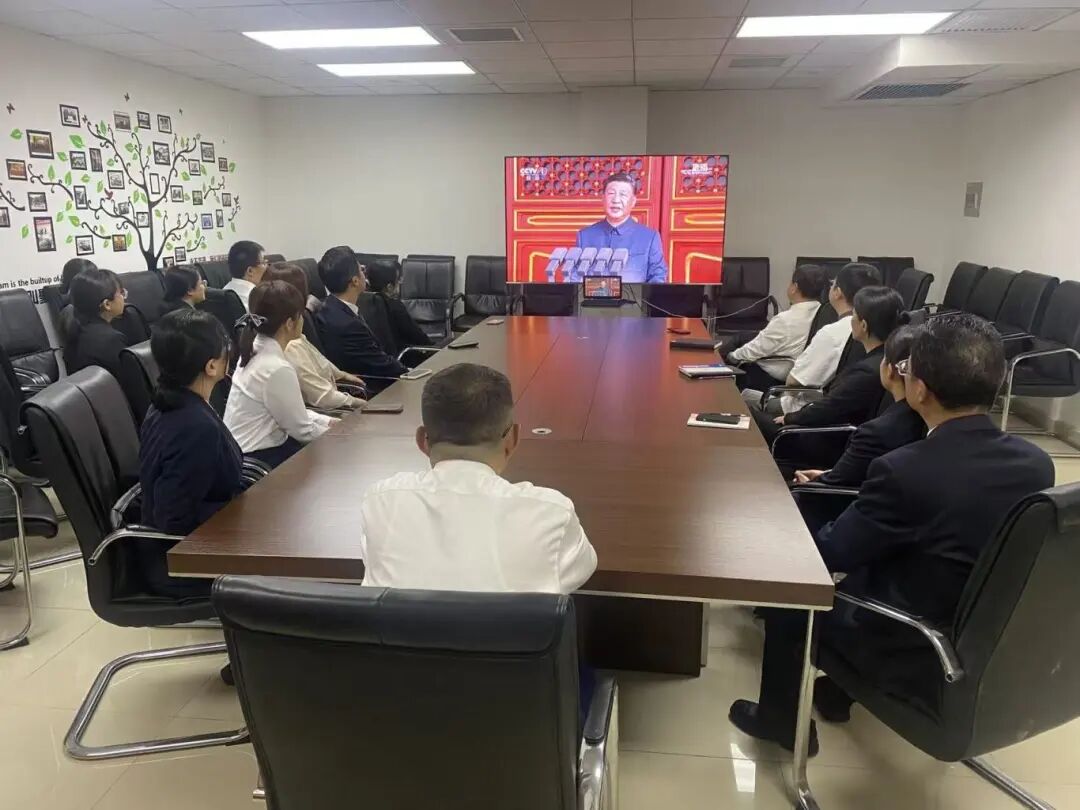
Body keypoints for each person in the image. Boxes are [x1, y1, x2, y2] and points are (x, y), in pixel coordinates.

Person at [729, 313, 1055, 756]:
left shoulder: (904, 470)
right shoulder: (1036, 464)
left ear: (919, 390)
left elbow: (830, 554)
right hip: (987, 634)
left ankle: (780, 721)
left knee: (793, 594)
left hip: (910, 637)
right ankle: (838, 693)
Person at [358, 362, 597, 593]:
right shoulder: (552, 513)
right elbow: (580, 572)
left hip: (402, 625)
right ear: (513, 439)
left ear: (422, 441)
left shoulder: (381, 502)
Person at [138, 309, 243, 598]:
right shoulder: (195, 427)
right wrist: (243, 516)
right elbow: (174, 519)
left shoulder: (171, 400)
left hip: (204, 537)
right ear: (211, 365)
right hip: (184, 559)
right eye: (225, 344)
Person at [754, 286, 903, 444]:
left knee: (748, 415)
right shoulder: (883, 357)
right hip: (824, 425)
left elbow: (829, 408)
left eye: (853, 315)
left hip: (822, 437)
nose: (850, 320)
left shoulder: (867, 371)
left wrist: (790, 418)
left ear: (864, 326)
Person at [794, 324, 926, 490]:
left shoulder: (876, 434)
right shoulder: (929, 419)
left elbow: (833, 487)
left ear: (890, 371)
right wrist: (826, 474)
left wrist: (811, 484)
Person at [224, 280, 337, 467]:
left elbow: (290, 413)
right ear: (290, 323)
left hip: (247, 451)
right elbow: (303, 431)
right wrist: (341, 432)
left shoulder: (254, 348)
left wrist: (328, 421)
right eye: (300, 315)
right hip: (260, 458)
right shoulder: (276, 368)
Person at [262, 263, 367, 412]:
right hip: (327, 412)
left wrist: (341, 374)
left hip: (331, 404)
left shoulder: (292, 335)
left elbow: (319, 361)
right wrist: (359, 403)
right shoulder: (290, 346)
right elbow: (323, 397)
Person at [721, 265, 827, 393]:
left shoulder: (785, 320)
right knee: (742, 337)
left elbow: (756, 350)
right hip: (798, 365)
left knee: (730, 353)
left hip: (770, 375)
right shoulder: (822, 313)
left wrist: (733, 356)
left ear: (794, 287)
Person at [314, 245, 406, 389]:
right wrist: (409, 372)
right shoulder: (347, 325)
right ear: (355, 281)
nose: (364, 272)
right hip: (374, 389)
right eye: (361, 270)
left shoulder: (331, 307)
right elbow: (382, 365)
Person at [575, 172, 667, 284]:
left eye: (623, 194)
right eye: (611, 193)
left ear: (633, 202)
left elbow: (658, 277)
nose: (616, 200)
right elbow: (576, 278)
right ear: (603, 198)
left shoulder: (649, 237)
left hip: (635, 295)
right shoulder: (585, 236)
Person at [63, 267, 129, 380]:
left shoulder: (75, 328)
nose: (124, 297)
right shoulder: (112, 340)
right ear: (107, 304)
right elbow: (130, 381)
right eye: (121, 293)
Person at [363, 259, 433, 356]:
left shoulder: (362, 302)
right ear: (389, 287)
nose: (401, 281)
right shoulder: (395, 307)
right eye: (399, 279)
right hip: (405, 356)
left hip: (379, 358)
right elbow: (419, 338)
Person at [223, 240, 267, 311]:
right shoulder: (255, 299)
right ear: (250, 271)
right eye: (263, 263)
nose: (267, 267)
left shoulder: (224, 291)